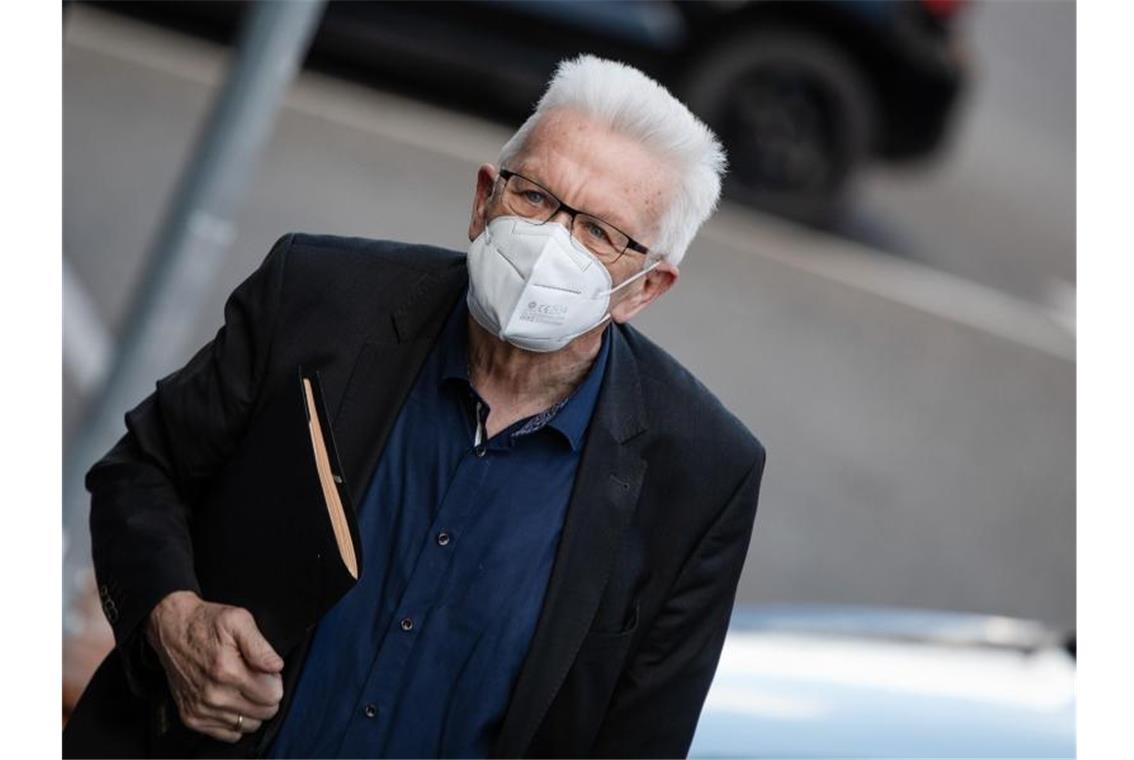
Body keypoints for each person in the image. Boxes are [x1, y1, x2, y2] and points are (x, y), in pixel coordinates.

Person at [64, 54, 766, 758]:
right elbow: (141, 472)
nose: (550, 242)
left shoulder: (702, 474)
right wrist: (173, 619)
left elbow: (638, 740)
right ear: (483, 199)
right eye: (534, 197)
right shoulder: (318, 297)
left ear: (644, 289)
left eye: (598, 233)